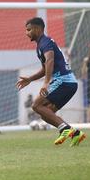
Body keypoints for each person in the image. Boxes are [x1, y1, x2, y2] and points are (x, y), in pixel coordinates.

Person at [16, 17, 86, 146]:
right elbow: (45, 68)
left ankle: (65, 129)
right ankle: (75, 134)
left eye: (29, 30)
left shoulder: (45, 43)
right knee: (46, 113)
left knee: (36, 105)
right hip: (69, 83)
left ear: (37, 29)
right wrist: (30, 79)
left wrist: (46, 83)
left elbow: (50, 60)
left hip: (63, 81)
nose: (26, 33)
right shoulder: (41, 45)